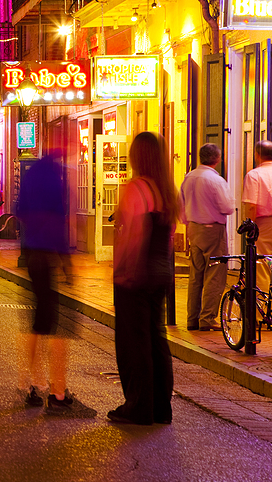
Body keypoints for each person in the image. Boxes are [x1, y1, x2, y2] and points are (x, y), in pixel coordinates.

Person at [15, 150, 94, 417]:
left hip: (33, 253)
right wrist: (67, 263)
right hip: (48, 254)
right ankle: (57, 391)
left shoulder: (32, 175)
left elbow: (20, 211)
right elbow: (58, 221)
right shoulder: (54, 178)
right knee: (56, 324)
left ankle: (29, 381)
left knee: (40, 319)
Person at [110, 131, 176, 425]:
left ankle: (138, 406)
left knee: (133, 342)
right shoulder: (167, 191)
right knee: (156, 338)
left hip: (137, 274)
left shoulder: (136, 188)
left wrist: (123, 270)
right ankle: (161, 407)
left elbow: (134, 235)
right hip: (161, 272)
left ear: (138, 156)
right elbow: (170, 236)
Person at [180, 143, 234, 331]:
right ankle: (208, 318)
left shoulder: (189, 177)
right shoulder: (216, 180)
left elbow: (181, 205)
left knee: (196, 274)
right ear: (217, 159)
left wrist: (188, 223)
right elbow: (227, 207)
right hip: (213, 230)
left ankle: (192, 318)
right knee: (215, 274)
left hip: (194, 229)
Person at [243, 140, 272, 293]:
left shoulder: (254, 175)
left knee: (262, 265)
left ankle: (264, 307)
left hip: (264, 225)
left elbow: (251, 205)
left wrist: (250, 227)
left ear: (257, 155)